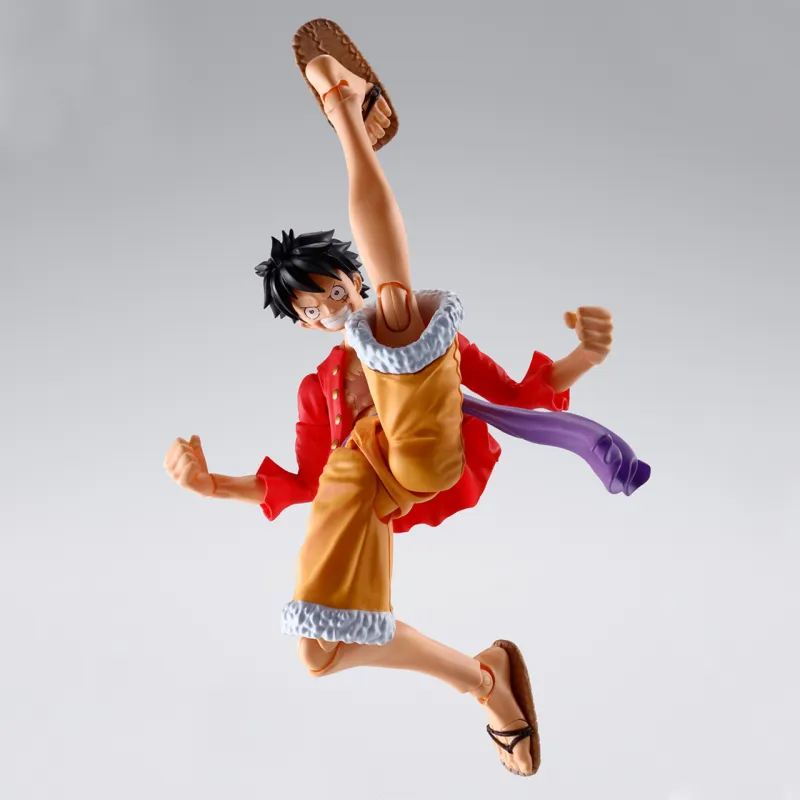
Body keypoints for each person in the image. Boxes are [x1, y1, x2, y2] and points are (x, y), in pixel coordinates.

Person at [165, 23, 648, 777]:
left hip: (424, 456)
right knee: (319, 651)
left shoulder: (402, 324)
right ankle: (485, 681)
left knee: (393, 321)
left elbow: (515, 396)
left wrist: (580, 359)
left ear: (352, 277)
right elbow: (302, 479)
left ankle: (346, 116)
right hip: (363, 487)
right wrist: (210, 484)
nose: (329, 311)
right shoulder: (319, 387)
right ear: (302, 327)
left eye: (333, 292)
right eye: (311, 312)